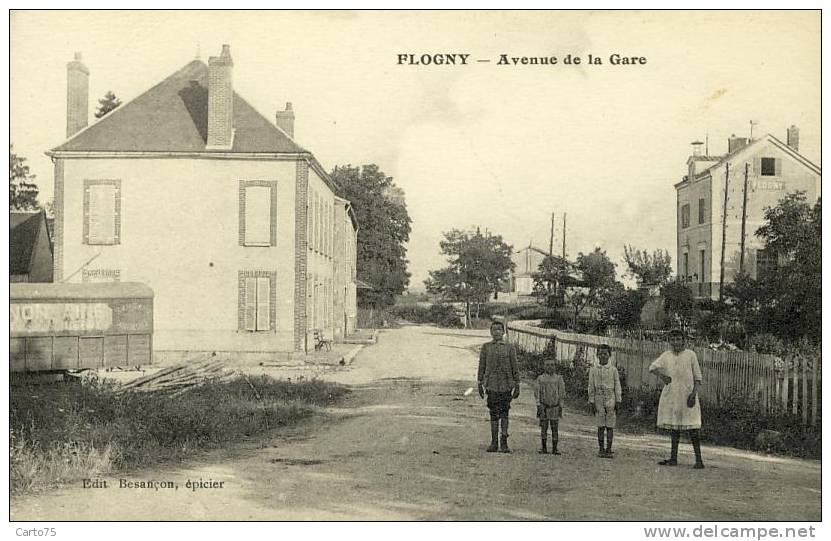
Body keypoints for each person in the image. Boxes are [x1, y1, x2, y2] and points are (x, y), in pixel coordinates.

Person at [648, 329, 705, 469]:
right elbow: (652, 367)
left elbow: (698, 377)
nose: (676, 342)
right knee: (675, 427)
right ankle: (673, 458)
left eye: (678, 339)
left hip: (687, 395)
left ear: (683, 340)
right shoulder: (666, 355)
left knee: (693, 427)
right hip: (673, 395)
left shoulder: (691, 355)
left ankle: (699, 460)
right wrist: (663, 377)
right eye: (673, 339)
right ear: (669, 341)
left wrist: (693, 394)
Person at [477, 320, 520, 453]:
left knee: (505, 413)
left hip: (506, 386)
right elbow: (482, 366)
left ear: (504, 332)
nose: (496, 332)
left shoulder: (509, 347)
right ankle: (494, 442)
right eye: (494, 330)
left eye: (499, 329)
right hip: (491, 385)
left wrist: (517, 384)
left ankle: (504, 442)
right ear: (490, 332)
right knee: (493, 414)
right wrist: (479, 383)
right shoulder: (486, 347)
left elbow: (515, 366)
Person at [587, 344, 622, 458]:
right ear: (597, 355)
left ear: (609, 355)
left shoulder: (613, 370)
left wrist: (618, 400)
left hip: (610, 397)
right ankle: (601, 449)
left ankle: (609, 449)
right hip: (598, 398)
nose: (603, 356)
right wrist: (591, 401)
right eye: (600, 353)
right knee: (600, 425)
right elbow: (591, 386)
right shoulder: (593, 369)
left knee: (610, 425)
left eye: (605, 354)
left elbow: (617, 386)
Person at [534, 358, 565, 455]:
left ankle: (555, 448)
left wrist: (561, 405)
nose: (550, 367)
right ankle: (544, 447)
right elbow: (537, 392)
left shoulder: (558, 378)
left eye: (552, 365)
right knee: (544, 427)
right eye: (547, 365)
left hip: (555, 407)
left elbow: (562, 393)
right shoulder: (540, 378)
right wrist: (538, 404)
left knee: (554, 427)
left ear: (555, 367)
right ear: (544, 366)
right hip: (544, 406)